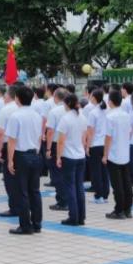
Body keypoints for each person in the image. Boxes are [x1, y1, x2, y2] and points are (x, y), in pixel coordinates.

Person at [4, 83, 44, 235]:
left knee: (22, 192)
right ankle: (37, 223)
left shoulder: (15, 116)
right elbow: (39, 136)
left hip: (21, 156)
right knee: (35, 191)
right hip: (35, 154)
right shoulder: (37, 115)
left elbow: (12, 141)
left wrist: (10, 160)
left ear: (17, 98)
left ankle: (25, 225)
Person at [55, 92, 88, 226]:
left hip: (69, 156)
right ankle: (81, 216)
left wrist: (58, 157)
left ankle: (73, 217)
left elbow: (61, 141)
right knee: (79, 186)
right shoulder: (82, 117)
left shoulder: (65, 119)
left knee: (70, 187)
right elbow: (84, 138)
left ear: (68, 103)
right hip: (80, 155)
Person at [104, 90, 133, 219]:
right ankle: (128, 209)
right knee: (127, 182)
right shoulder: (126, 115)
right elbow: (130, 132)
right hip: (125, 153)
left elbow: (108, 137)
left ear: (110, 101)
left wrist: (105, 155)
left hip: (114, 154)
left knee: (117, 185)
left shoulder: (110, 117)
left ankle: (119, 210)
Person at [0, 87, 19, 218]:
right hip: (26, 148)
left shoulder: (6, 109)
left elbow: (0, 133)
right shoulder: (27, 108)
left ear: (9, 96)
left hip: (8, 145)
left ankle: (14, 207)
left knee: (10, 179)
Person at [45, 88, 69, 212]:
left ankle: (62, 201)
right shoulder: (75, 110)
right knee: (67, 174)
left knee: (57, 173)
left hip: (56, 144)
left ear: (55, 97)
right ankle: (69, 199)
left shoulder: (54, 112)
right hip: (71, 144)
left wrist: (48, 148)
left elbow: (50, 131)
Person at [85, 89, 109, 204]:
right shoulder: (107, 110)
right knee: (104, 171)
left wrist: (87, 146)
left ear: (94, 98)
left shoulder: (93, 113)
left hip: (95, 144)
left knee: (96, 172)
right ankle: (105, 195)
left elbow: (90, 132)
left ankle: (98, 195)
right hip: (105, 144)